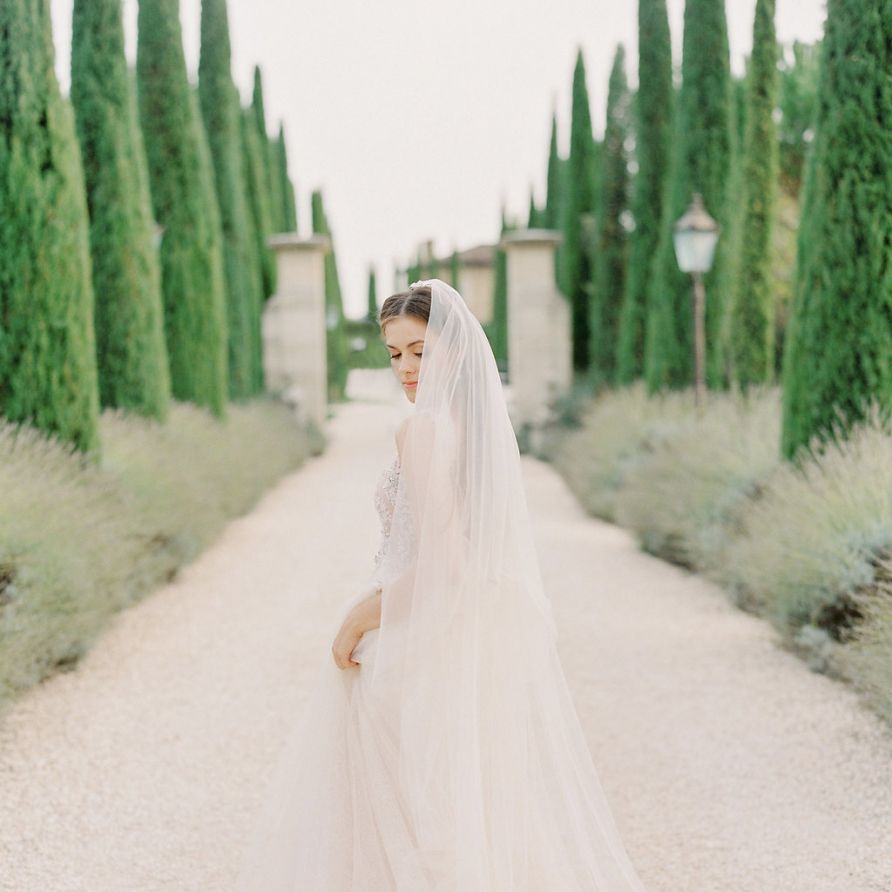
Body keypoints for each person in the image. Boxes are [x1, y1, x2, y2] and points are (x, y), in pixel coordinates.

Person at [235, 278, 650, 891]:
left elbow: (447, 565)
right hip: (462, 637)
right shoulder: (471, 427)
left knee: (404, 819)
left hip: (417, 640)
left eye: (420, 351)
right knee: (458, 807)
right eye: (395, 353)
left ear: (453, 351)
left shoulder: (425, 431)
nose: (406, 367)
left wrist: (362, 615)